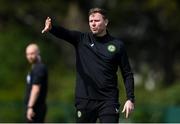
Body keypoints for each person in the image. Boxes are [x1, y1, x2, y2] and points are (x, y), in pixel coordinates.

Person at [42, 7, 134, 123]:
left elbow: (127, 74)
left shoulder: (117, 45)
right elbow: (66, 33)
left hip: (108, 101)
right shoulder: (82, 39)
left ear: (106, 22)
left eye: (96, 21)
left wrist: (130, 99)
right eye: (91, 21)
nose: (93, 24)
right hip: (85, 100)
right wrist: (52, 28)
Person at [25, 43, 48, 123]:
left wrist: (30, 107)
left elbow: (36, 89)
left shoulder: (39, 68)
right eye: (27, 54)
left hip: (35, 109)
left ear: (38, 53)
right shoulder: (34, 68)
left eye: (32, 53)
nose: (29, 56)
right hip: (33, 108)